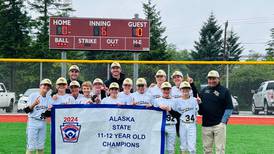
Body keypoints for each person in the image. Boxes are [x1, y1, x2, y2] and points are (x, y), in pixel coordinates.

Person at [199, 70, 233, 154]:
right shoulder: (203, 91)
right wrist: (199, 104)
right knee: (207, 150)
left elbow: (229, 108)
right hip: (206, 125)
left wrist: (223, 122)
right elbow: (201, 112)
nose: (211, 81)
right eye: (209, 78)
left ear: (218, 79)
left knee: (220, 150)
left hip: (219, 125)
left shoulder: (225, 91)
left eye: (214, 78)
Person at [168, 81, 199, 154]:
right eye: (183, 89)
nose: (185, 91)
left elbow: (198, 110)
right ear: (180, 90)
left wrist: (199, 102)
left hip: (192, 124)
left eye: (187, 89)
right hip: (182, 124)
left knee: (192, 146)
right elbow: (174, 113)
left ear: (190, 90)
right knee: (183, 145)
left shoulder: (194, 100)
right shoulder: (177, 101)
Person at [24, 79, 52, 154]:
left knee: (41, 146)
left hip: (43, 122)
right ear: (40, 86)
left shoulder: (49, 98)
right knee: (31, 146)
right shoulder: (33, 95)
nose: (46, 87)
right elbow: (26, 110)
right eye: (44, 85)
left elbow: (47, 115)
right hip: (33, 122)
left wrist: (49, 110)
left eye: (48, 85)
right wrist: (34, 104)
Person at [170, 71, 198, 137]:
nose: (176, 79)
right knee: (180, 138)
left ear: (182, 78)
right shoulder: (171, 89)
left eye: (178, 77)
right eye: (174, 77)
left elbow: (195, 96)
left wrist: (192, 84)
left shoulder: (188, 87)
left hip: (187, 115)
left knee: (190, 138)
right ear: (173, 80)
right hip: (176, 116)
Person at [154, 82, 177, 154]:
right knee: (161, 148)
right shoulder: (157, 100)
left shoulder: (175, 101)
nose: (166, 91)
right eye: (164, 89)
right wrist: (158, 107)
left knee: (171, 149)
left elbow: (178, 115)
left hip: (171, 125)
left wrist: (170, 110)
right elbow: (153, 114)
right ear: (161, 89)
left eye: (168, 89)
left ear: (170, 90)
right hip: (160, 126)